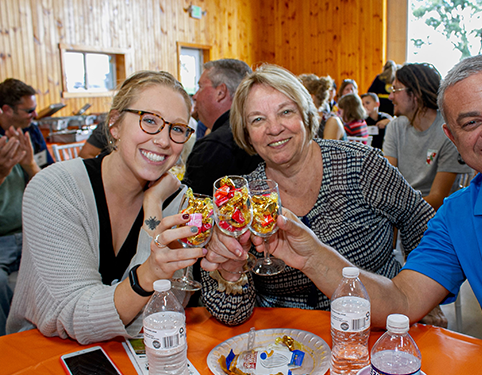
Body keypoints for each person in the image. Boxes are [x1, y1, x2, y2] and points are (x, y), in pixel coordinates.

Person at [225, 55, 482, 374]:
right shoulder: (458, 217)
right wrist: (311, 255)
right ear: (451, 138)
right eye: (471, 122)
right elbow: (401, 302)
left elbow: (412, 215)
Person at [198, 64, 437, 327]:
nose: (274, 128)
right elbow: (231, 316)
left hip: (374, 323)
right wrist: (231, 275)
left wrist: (418, 294)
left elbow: (422, 219)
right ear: (246, 133)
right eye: (258, 119)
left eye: (285, 112)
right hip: (285, 340)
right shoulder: (238, 200)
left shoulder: (359, 165)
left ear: (306, 114)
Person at [6, 71, 204, 344]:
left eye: (178, 128)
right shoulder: (55, 189)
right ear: (114, 124)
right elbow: (77, 316)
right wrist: (148, 274)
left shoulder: (175, 201)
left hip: (127, 355)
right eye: (149, 121)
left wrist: (153, 206)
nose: (164, 140)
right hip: (41, 352)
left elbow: (165, 309)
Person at [0, 78, 54, 336]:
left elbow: (51, 183)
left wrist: (30, 165)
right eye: (28, 111)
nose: (35, 115)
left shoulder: (32, 132)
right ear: (6, 110)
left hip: (32, 229)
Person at [383, 63, 472, 211]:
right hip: (402, 210)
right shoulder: (395, 127)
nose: (390, 96)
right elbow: (387, 180)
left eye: (395, 90)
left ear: (416, 94)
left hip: (437, 218)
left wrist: (397, 211)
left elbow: (438, 197)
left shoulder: (447, 131)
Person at [182, 59, 262, 196]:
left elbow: (189, 209)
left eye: (200, 87)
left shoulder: (213, 147)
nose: (195, 96)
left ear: (221, 92)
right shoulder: (257, 130)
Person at [298, 73, 346, 140]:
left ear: (311, 98)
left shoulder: (332, 122)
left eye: (298, 96)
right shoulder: (304, 122)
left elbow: (326, 150)